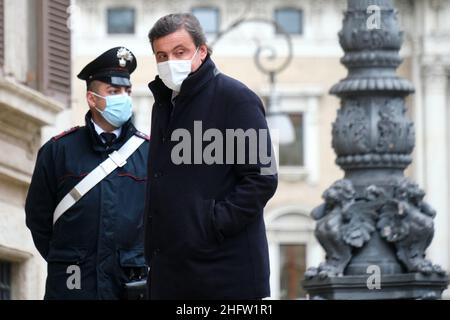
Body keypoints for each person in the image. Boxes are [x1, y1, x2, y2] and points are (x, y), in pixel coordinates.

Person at [145, 13, 278, 300]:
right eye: (162, 55)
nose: (170, 62)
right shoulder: (164, 104)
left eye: (179, 52)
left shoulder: (236, 98)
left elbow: (262, 178)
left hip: (225, 276)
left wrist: (210, 224)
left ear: (202, 51)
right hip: (172, 274)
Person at [25, 47, 149, 300]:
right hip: (73, 282)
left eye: (126, 91)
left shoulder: (149, 153)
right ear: (92, 99)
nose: (123, 98)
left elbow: (162, 218)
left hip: (130, 283)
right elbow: (38, 217)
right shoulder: (58, 151)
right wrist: (67, 258)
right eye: (113, 92)